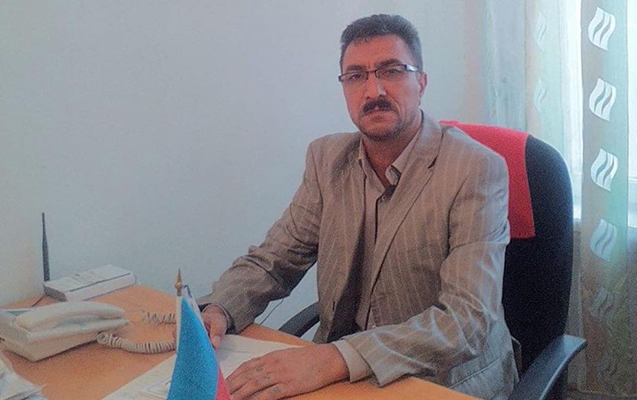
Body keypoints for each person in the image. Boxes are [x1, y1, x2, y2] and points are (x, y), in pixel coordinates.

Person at [200, 14, 518, 400]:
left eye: (392, 70)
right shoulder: (327, 160)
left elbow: (465, 321)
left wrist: (336, 357)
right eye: (355, 76)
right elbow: (274, 261)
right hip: (344, 375)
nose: (373, 90)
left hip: (440, 380)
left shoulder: (475, 169)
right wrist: (221, 308)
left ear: (421, 83)